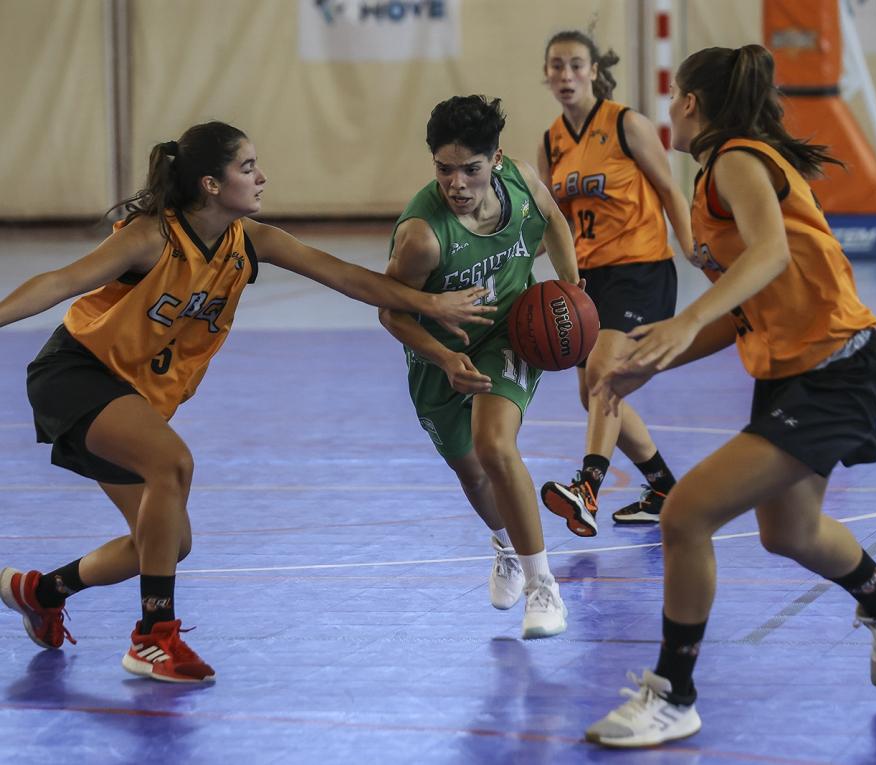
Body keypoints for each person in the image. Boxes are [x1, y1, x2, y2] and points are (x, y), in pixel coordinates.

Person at [0, 120, 494, 683]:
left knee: (164, 543)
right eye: (248, 167)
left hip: (134, 395)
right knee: (173, 463)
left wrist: (430, 305)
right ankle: (153, 639)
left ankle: (40, 591)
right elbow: (61, 280)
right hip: (78, 373)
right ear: (211, 184)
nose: (263, 177)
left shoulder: (251, 242)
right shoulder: (151, 236)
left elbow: (349, 278)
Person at [584, 45, 876, 747]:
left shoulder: (738, 160)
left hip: (837, 368)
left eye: (674, 97)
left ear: (690, 103)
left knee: (685, 513)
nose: (668, 110)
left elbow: (769, 254)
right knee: (789, 533)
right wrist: (662, 357)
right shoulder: (718, 173)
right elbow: (750, 306)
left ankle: (674, 693)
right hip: (795, 369)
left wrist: (685, 317)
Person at [379, 95, 580, 638]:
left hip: (513, 329)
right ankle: (507, 545)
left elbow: (554, 219)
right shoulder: (422, 236)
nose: (457, 184)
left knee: (494, 445)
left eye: (471, 169)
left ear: (496, 159)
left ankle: (544, 589)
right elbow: (391, 313)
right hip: (440, 353)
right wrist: (444, 357)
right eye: (444, 170)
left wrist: (570, 283)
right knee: (471, 470)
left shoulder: (520, 181)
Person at [536, 30, 693, 536]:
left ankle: (587, 491)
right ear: (546, 74)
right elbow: (548, 222)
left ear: (593, 72)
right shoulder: (549, 142)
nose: (566, 75)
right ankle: (665, 488)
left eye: (575, 65)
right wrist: (505, 261)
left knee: (605, 374)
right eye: (556, 66)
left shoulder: (626, 123)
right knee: (595, 394)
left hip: (640, 269)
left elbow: (670, 189)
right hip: (586, 279)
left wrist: (691, 248)